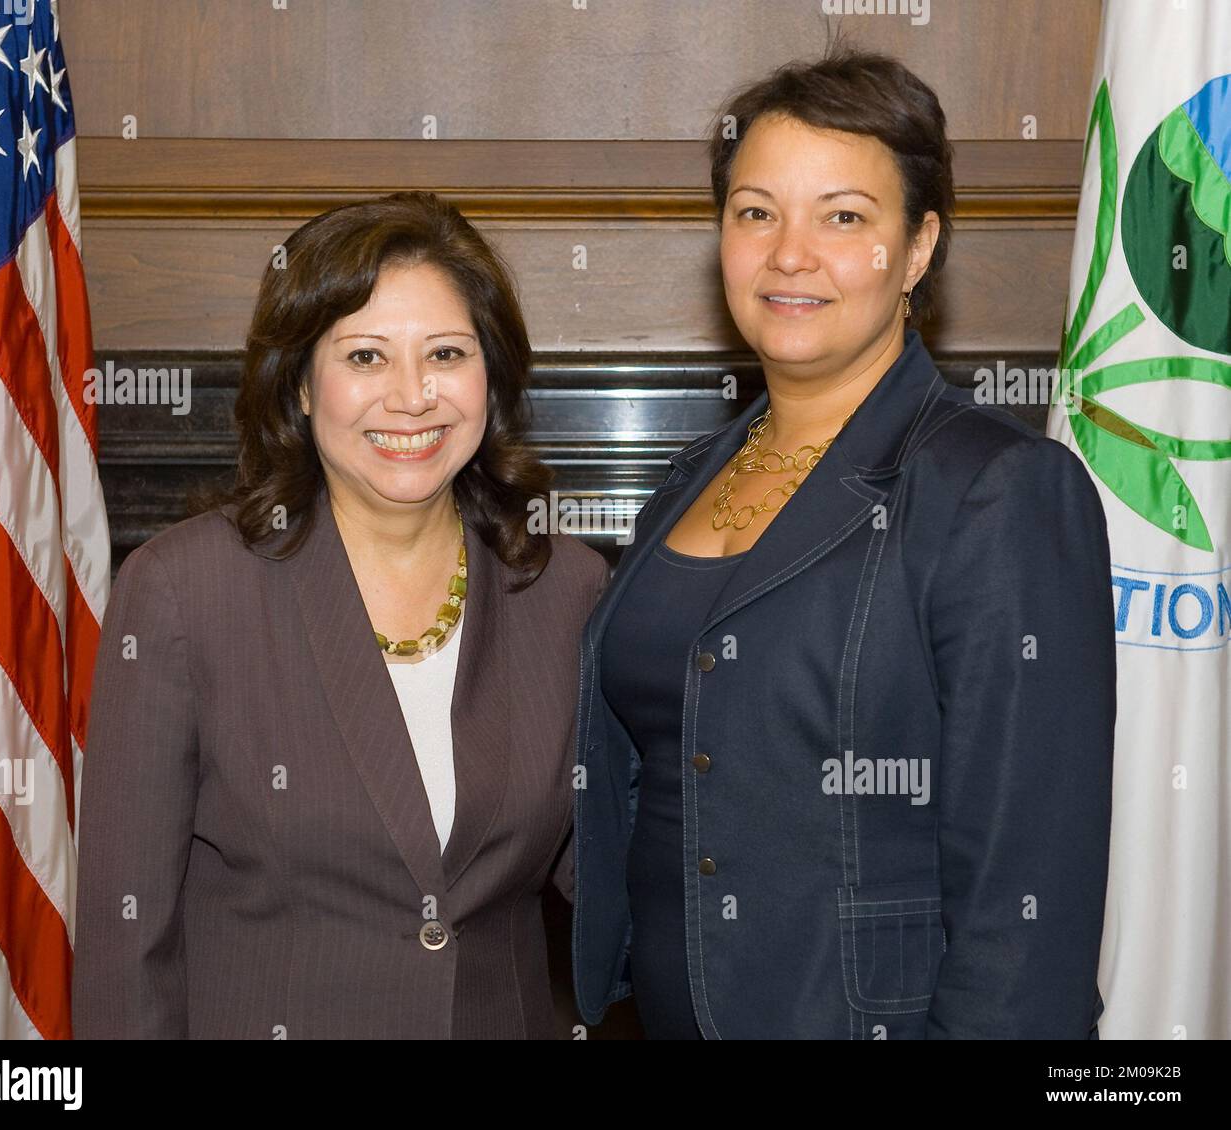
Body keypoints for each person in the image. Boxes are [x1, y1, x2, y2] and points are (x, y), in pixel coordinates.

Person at [571, 47, 1116, 1039]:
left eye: (843, 216)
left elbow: (1027, 896)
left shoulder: (999, 491)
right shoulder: (685, 479)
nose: (789, 253)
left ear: (917, 249)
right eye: (754, 210)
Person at [73, 192, 608, 1039]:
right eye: (364, 356)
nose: (410, 396)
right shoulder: (184, 592)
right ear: (299, 384)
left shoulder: (566, 587)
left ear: (490, 377)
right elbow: (124, 942)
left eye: (444, 353)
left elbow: (614, 883)